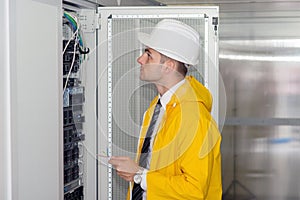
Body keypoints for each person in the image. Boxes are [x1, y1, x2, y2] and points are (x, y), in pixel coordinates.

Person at [109, 19, 222, 200]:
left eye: (149, 55)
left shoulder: (194, 118)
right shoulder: (157, 107)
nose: (140, 60)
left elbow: (193, 191)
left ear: (168, 66)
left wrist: (139, 174)